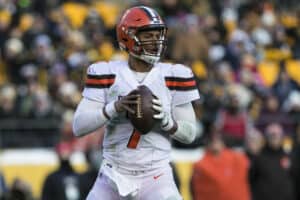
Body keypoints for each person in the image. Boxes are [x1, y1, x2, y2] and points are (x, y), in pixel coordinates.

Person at [72, 6, 200, 200]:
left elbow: (191, 134)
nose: (156, 41)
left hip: (157, 176)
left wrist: (168, 122)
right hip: (113, 173)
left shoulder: (175, 75)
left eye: (158, 35)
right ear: (127, 37)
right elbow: (79, 126)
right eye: (148, 35)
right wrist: (114, 107)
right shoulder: (105, 72)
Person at [191, 130, 250, 200]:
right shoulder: (200, 164)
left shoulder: (237, 158)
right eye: (212, 141)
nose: (215, 143)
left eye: (218, 140)